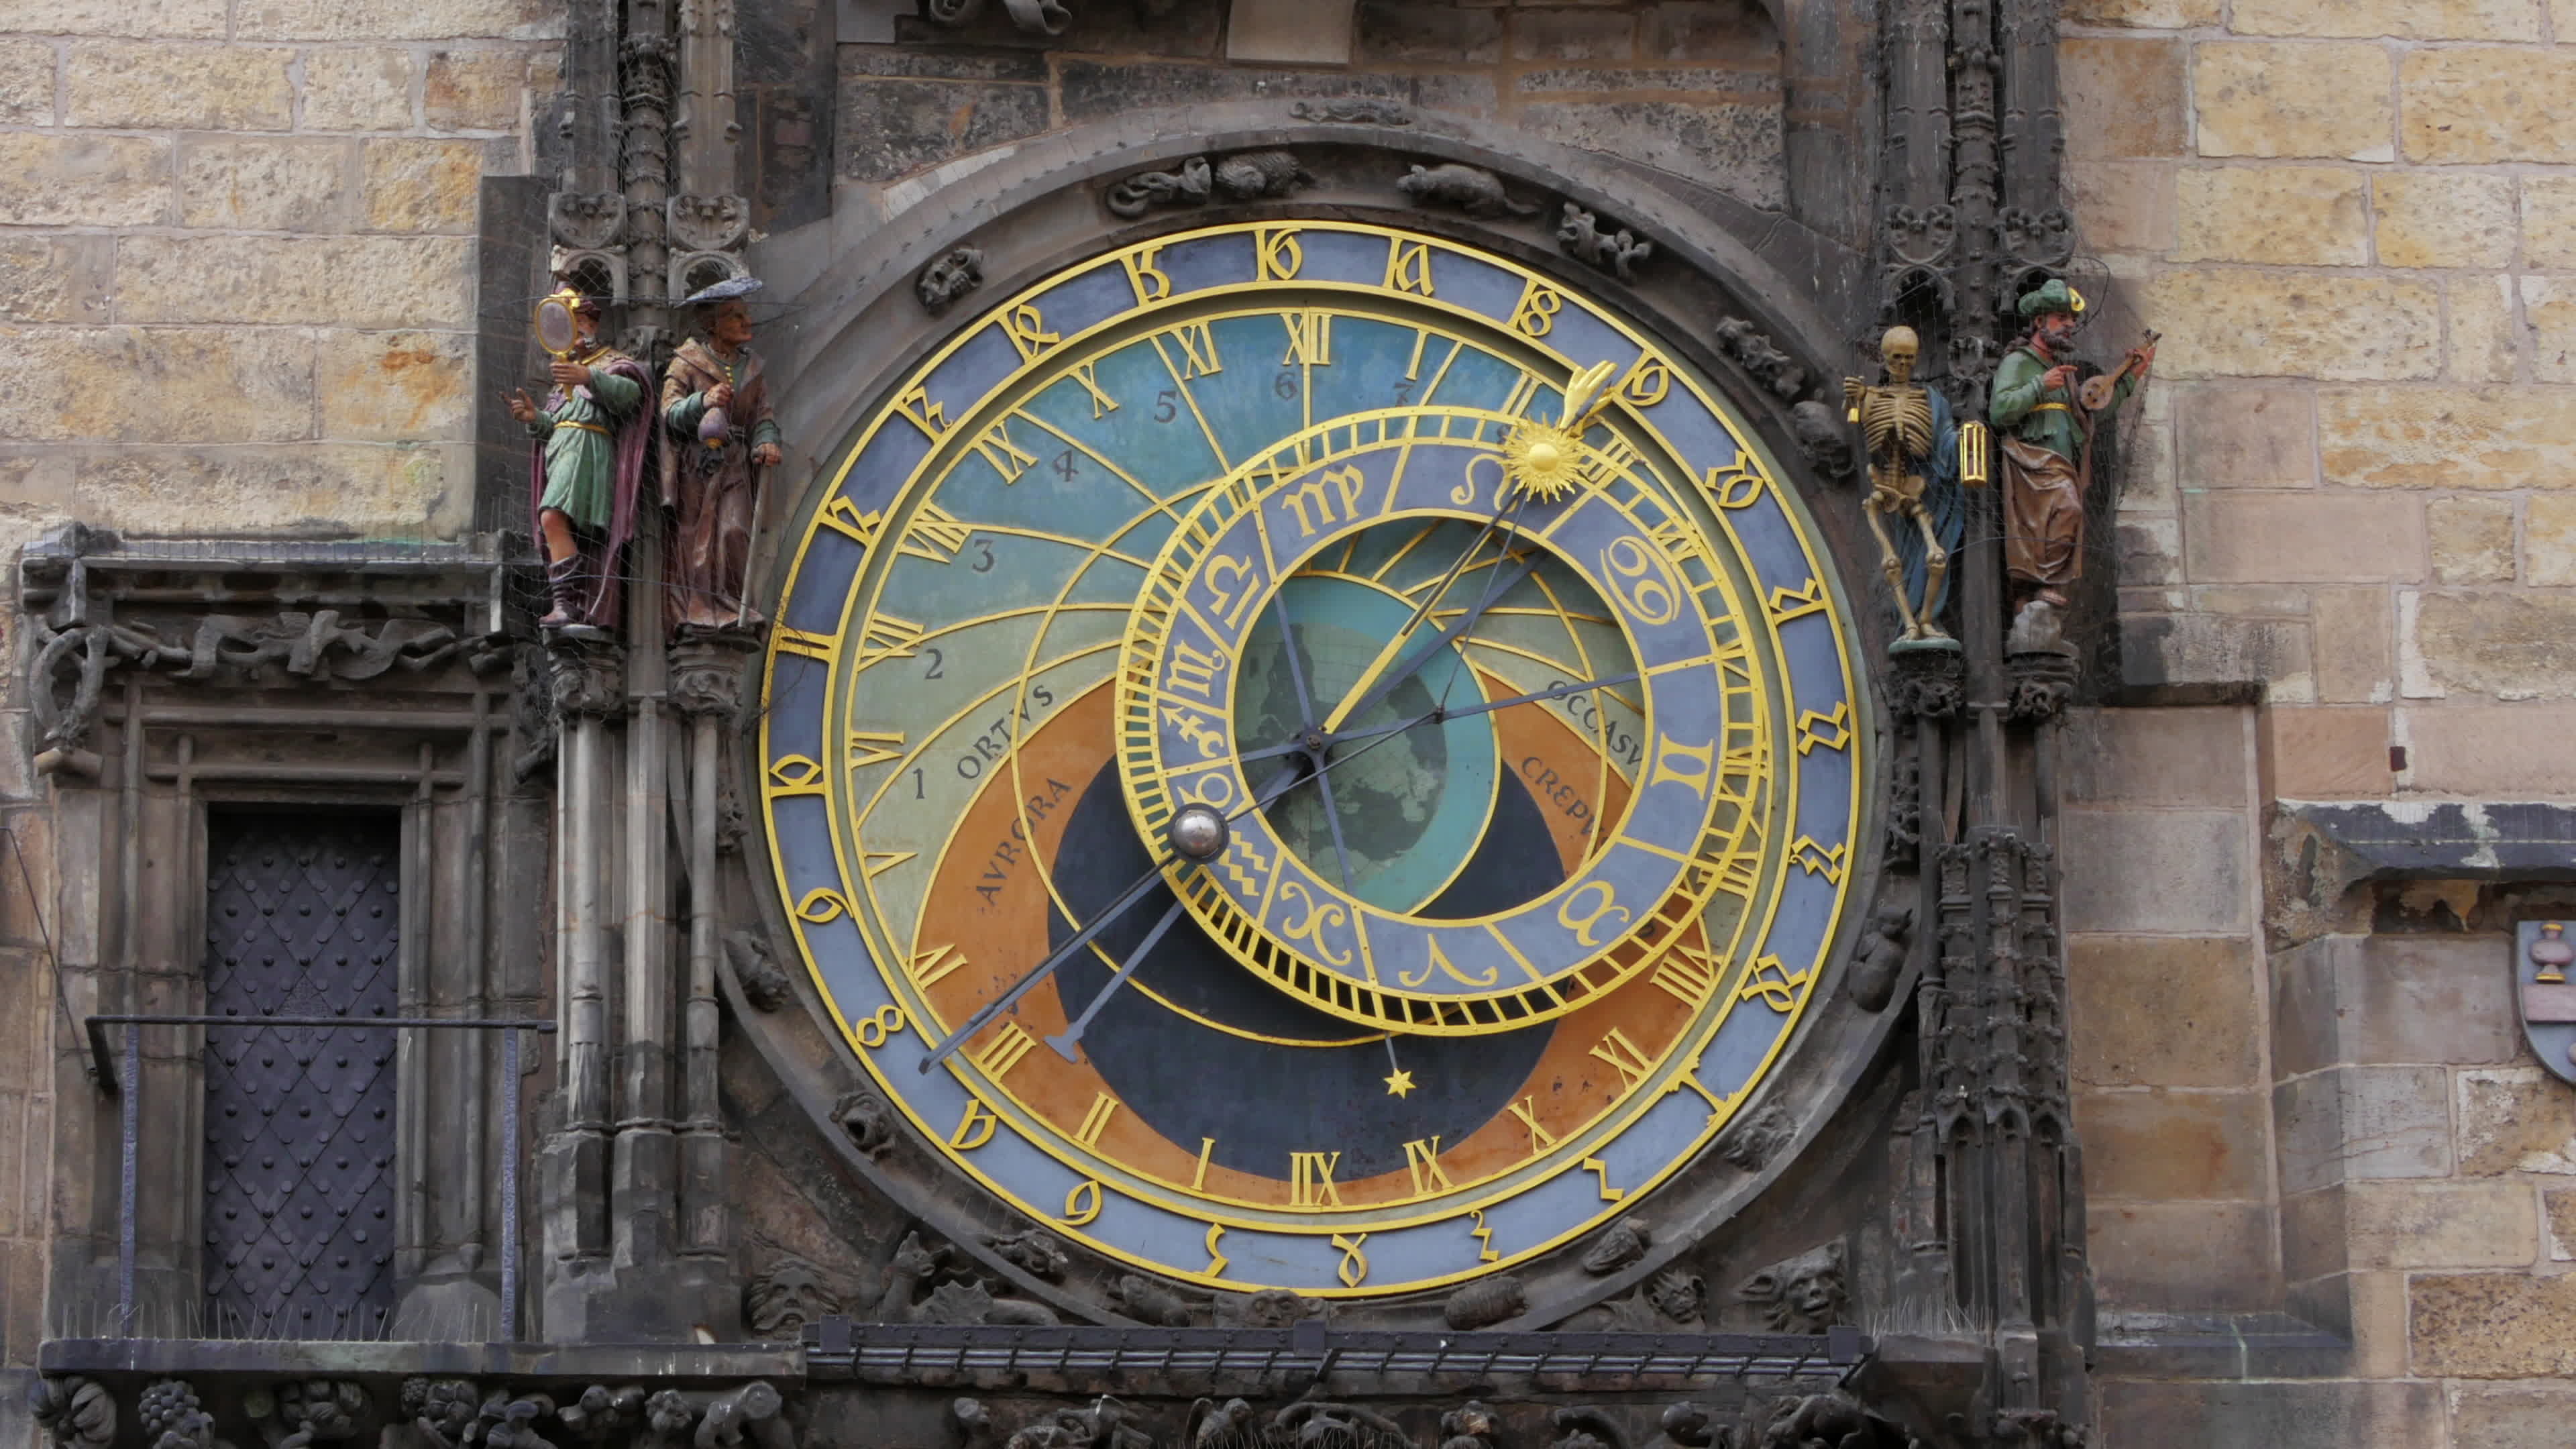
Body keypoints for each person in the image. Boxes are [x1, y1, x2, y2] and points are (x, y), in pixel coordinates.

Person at [1988, 278, 2153, 648]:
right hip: (2031, 462)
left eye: (2071, 320)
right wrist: (2038, 386)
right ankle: (2037, 587)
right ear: (2039, 322)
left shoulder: (2066, 372)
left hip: (2063, 462)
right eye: (2061, 318)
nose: (2069, 325)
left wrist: (2129, 378)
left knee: (2062, 514)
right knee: (2063, 509)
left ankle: (2037, 592)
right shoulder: (2019, 362)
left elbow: (2093, 409)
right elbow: (2000, 412)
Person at [507, 291, 655, 637]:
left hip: (589, 452)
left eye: (578, 326)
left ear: (591, 326)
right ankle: (571, 602)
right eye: (565, 329)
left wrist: (588, 378)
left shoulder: (611, 363)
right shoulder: (563, 380)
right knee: (556, 524)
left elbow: (632, 396)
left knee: (552, 517)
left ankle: (567, 601)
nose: (573, 335)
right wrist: (534, 418)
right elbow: (555, 426)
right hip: (563, 452)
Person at [661, 276, 785, 635]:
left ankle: (731, 603)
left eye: (745, 315)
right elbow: (668, 411)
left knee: (734, 531)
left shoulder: (752, 369)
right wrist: (702, 401)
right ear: (712, 325)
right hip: (698, 463)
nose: (746, 323)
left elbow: (763, 414)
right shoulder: (687, 362)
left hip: (735, 461)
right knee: (697, 537)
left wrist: (766, 441)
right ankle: (698, 608)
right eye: (735, 316)